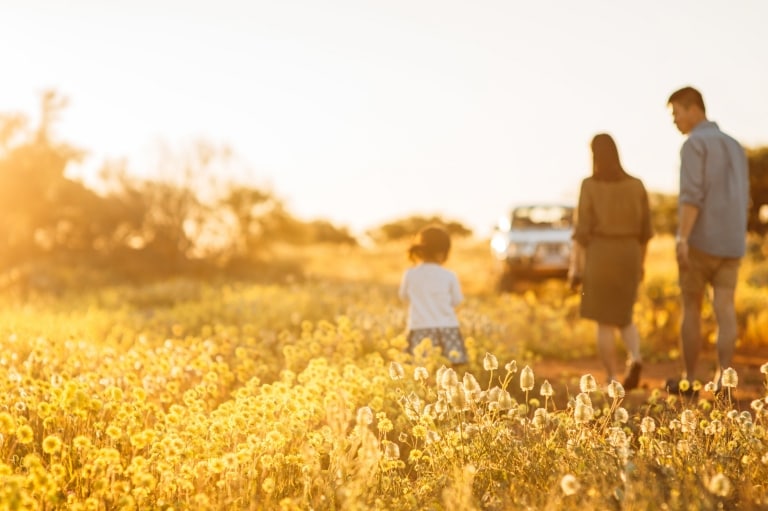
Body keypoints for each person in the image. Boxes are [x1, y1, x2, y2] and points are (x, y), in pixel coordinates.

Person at [666, 86, 750, 394]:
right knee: (725, 309)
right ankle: (723, 381)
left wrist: (682, 238)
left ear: (693, 109)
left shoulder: (693, 145)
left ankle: (689, 378)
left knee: (691, 306)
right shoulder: (735, 146)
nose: (675, 121)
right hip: (732, 243)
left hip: (701, 242)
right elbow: (745, 198)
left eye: (676, 113)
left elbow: (692, 197)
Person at [569, 133, 653, 390]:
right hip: (629, 252)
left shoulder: (589, 185)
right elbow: (645, 231)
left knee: (604, 321)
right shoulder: (637, 185)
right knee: (624, 315)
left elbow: (581, 232)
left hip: (601, 253)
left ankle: (612, 379)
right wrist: (640, 263)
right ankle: (635, 358)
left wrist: (575, 268)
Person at [399, 224, 468, 366]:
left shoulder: (410, 274)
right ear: (444, 252)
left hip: (419, 328)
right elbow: (457, 301)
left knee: (422, 373)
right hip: (447, 328)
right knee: (449, 372)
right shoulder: (449, 275)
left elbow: (403, 297)